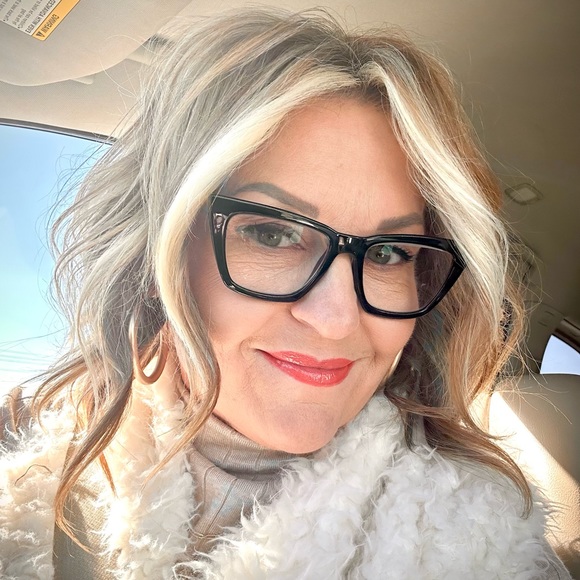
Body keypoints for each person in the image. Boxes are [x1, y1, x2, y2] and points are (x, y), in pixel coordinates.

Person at [0, 7, 572, 579]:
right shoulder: (27, 480)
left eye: (388, 253)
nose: (336, 318)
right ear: (158, 256)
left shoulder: (486, 547)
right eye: (273, 234)